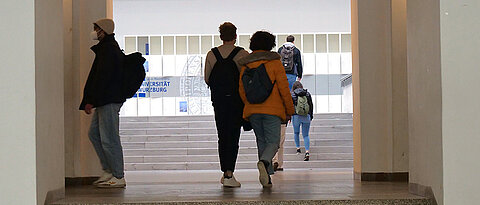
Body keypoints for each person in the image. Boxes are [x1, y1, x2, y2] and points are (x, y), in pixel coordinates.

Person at [238, 31, 295, 188]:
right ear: (271, 45)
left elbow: (242, 90)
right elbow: (284, 88)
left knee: (261, 142)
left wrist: (249, 104)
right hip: (273, 111)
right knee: (274, 143)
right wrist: (290, 109)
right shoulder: (274, 63)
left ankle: (267, 178)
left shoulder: (246, 64)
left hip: (253, 111)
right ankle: (264, 163)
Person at [79, 18, 126, 188]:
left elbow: (102, 78)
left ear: (103, 30)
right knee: (95, 134)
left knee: (109, 138)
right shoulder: (105, 49)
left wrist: (91, 100)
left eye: (95, 28)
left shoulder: (109, 50)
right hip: (104, 99)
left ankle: (118, 175)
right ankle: (108, 170)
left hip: (108, 100)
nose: (93, 32)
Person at [204, 22, 249, 188]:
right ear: (235, 36)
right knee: (233, 136)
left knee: (222, 136)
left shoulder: (212, 54)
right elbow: (247, 79)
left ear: (221, 36)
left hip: (219, 101)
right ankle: (230, 173)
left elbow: (207, 78)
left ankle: (225, 172)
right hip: (237, 102)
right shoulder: (242, 54)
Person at [291, 81, 314, 161]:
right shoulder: (307, 94)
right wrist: (311, 115)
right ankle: (307, 151)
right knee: (306, 135)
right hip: (306, 116)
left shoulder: (292, 94)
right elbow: (311, 105)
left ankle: (298, 148)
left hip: (296, 116)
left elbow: (290, 106)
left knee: (296, 133)